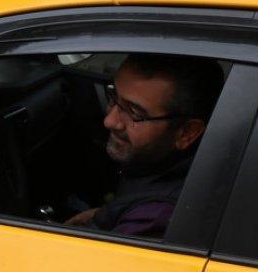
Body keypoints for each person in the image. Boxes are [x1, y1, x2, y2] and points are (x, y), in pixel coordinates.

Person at [65, 54, 225, 238]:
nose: (109, 121)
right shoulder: (166, 161)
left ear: (187, 133)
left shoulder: (155, 217)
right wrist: (102, 213)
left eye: (134, 113)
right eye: (113, 97)